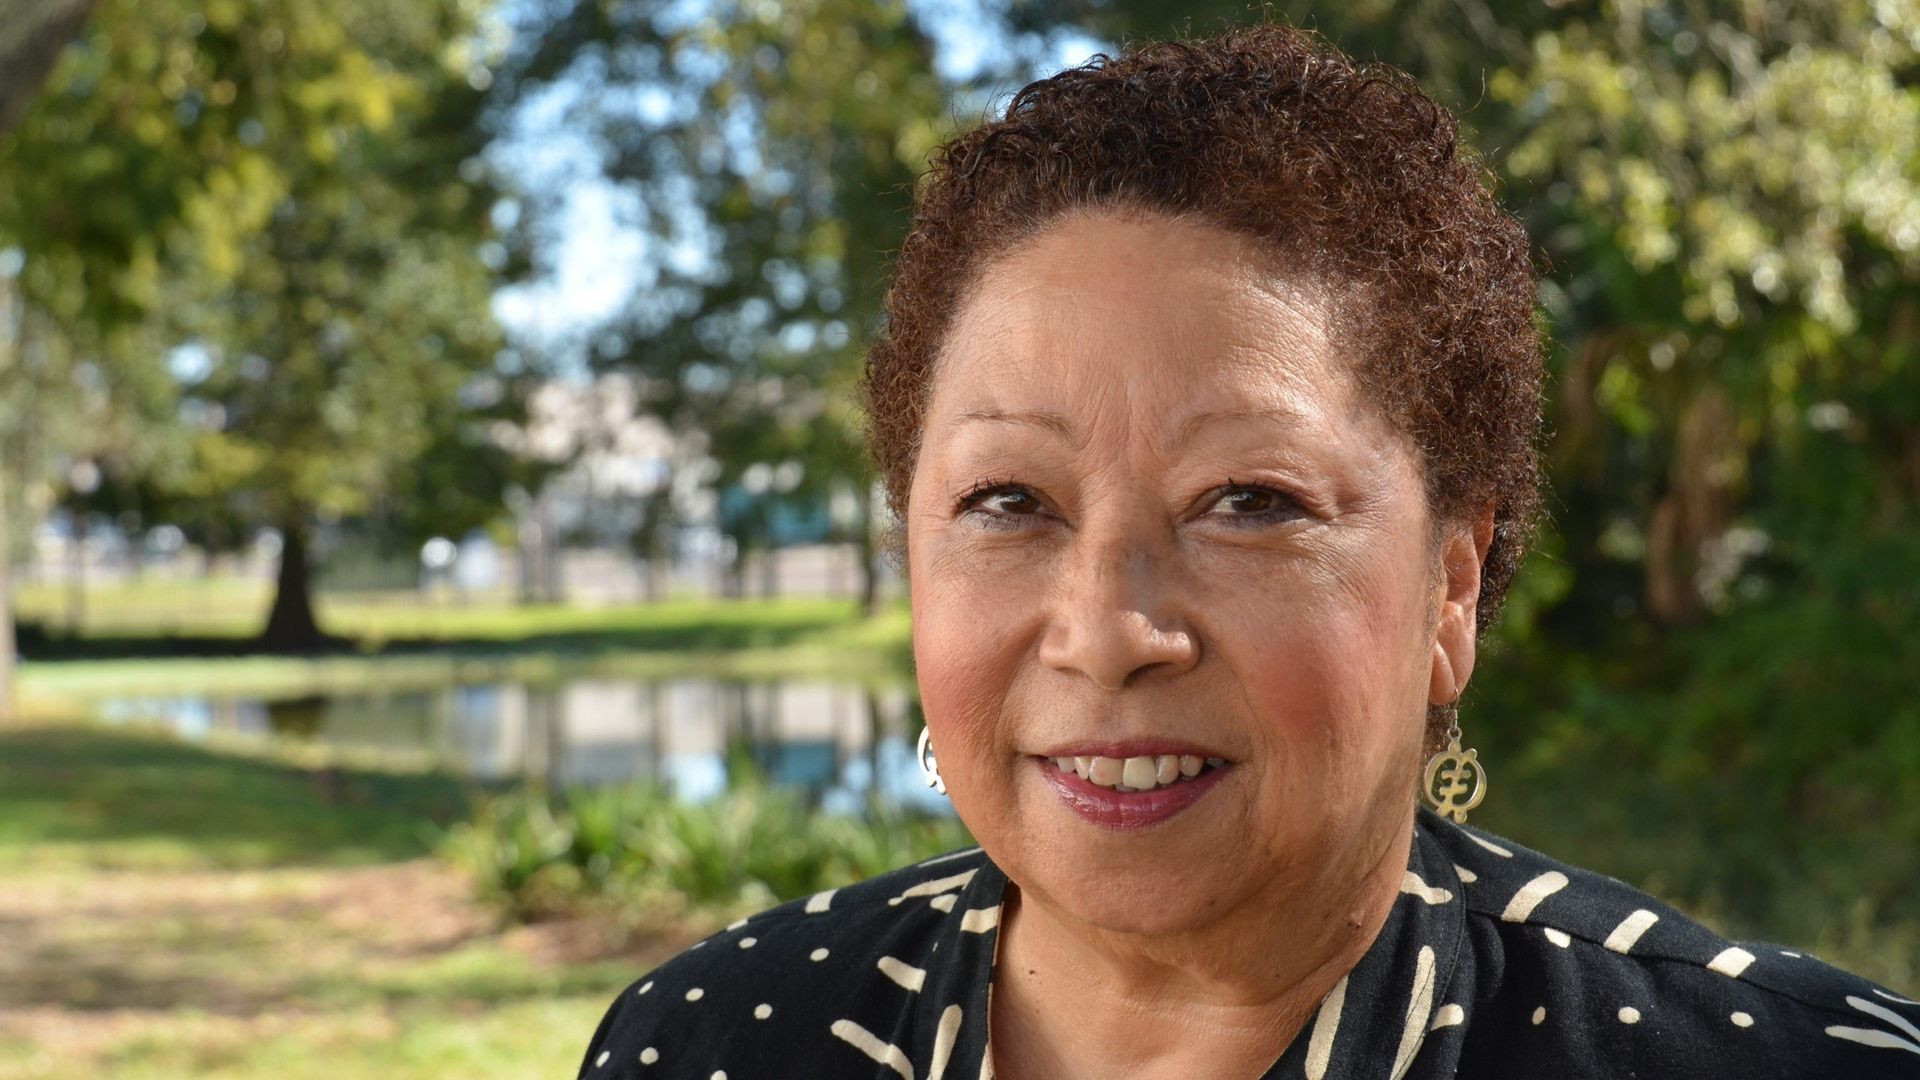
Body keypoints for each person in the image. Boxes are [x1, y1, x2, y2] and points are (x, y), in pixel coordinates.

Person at [574, 23, 1919, 1079]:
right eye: (1008, 501)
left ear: (1452, 582)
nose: (1106, 630)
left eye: (1251, 502)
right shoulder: (708, 1044)